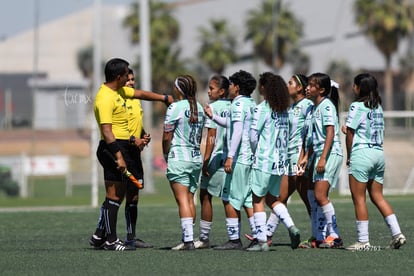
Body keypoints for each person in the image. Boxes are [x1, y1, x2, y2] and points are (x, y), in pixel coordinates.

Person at [89, 58, 173, 251]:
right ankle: (110, 240)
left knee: (118, 196)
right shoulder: (105, 97)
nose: (129, 77)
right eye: (127, 74)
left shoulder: (118, 91)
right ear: (119, 77)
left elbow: (141, 93)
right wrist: (119, 156)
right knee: (114, 196)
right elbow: (107, 131)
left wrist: (163, 98)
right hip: (112, 148)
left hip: (125, 148)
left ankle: (104, 237)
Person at [345, 73, 406, 250]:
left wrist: (350, 155)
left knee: (359, 199)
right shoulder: (377, 106)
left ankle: (363, 241)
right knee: (378, 196)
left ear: (359, 88)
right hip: (378, 153)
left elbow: (350, 133)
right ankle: (397, 233)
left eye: (354, 85)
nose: (353, 88)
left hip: (362, 154)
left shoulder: (357, 106)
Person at [246, 72, 300, 251]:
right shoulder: (285, 110)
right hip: (280, 163)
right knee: (273, 199)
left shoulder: (262, 108)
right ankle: (292, 226)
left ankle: (262, 242)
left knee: (257, 200)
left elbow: (253, 137)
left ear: (265, 88)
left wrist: (255, 154)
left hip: (264, 161)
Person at [204, 70, 257, 250]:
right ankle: (259, 235)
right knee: (249, 198)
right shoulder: (251, 103)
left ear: (238, 87)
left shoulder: (237, 104)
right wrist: (213, 117)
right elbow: (232, 124)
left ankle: (234, 240)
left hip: (239, 158)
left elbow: (238, 132)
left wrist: (230, 157)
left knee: (230, 198)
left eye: (232, 85)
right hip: (249, 158)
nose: (230, 88)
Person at [261, 74, 314, 247]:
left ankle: (324, 235)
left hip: (298, 158)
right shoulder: (291, 107)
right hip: (288, 158)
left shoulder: (307, 105)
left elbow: (309, 132)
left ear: (299, 88)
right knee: (282, 198)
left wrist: (304, 156)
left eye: (290, 83)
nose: (287, 85)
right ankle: (267, 235)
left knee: (307, 198)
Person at [298, 72, 343, 248]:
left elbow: (330, 133)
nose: (307, 88)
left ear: (322, 90)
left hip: (330, 154)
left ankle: (335, 236)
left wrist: (323, 158)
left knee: (320, 195)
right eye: (307, 84)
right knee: (316, 196)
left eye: (311, 85)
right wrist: (307, 157)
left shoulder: (326, 106)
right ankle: (319, 237)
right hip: (319, 155)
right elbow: (314, 137)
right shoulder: (315, 107)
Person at [163, 75, 205, 250]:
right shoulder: (200, 108)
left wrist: (165, 153)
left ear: (178, 89)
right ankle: (188, 238)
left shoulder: (175, 107)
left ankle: (188, 241)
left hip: (179, 158)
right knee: (189, 200)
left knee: (182, 201)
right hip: (195, 158)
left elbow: (167, 135)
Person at [194, 75, 231, 249]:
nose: (208, 91)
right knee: (229, 198)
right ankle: (236, 236)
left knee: (205, 195)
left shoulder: (212, 107)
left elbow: (211, 136)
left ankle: (204, 237)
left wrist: (206, 160)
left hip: (216, 158)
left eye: (211, 88)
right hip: (233, 159)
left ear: (221, 91)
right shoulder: (233, 106)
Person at [123, 69, 153, 248]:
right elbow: (118, 130)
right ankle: (102, 234)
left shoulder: (135, 100)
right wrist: (135, 140)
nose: (132, 83)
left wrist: (143, 135)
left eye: (133, 80)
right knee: (115, 196)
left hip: (135, 155)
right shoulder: (117, 100)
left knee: (133, 196)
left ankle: (130, 237)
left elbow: (135, 125)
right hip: (122, 154)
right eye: (128, 80)